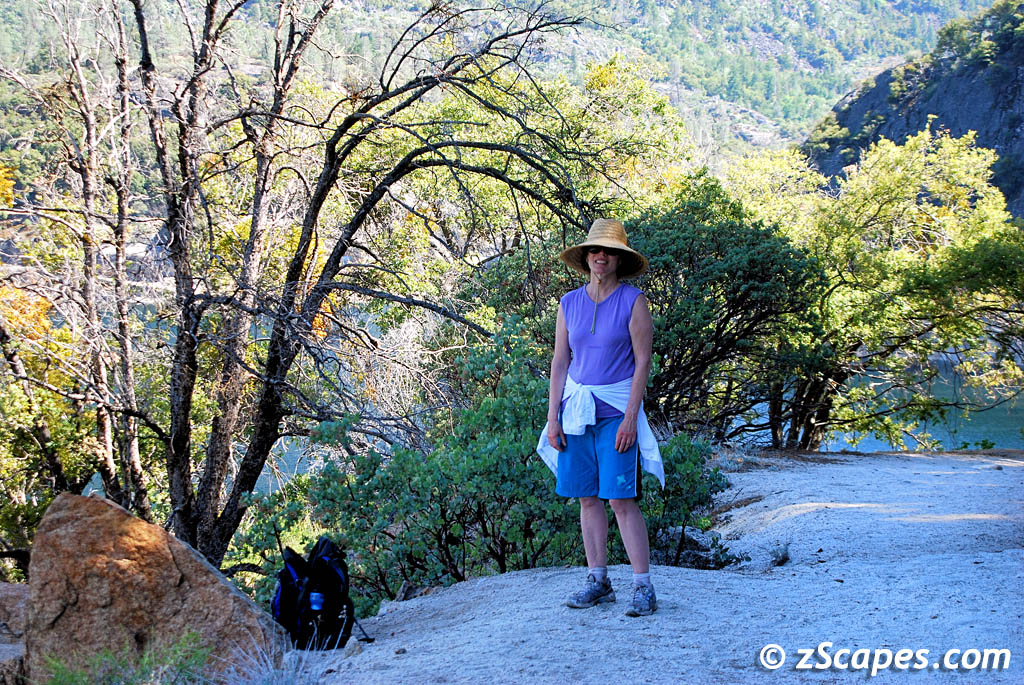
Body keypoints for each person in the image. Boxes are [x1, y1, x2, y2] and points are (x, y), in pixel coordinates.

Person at [536, 218, 664, 617]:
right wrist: (553, 417)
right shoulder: (568, 303)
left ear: (619, 259)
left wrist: (630, 417)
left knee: (621, 498)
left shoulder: (633, 301)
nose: (601, 256)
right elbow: (560, 361)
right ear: (586, 257)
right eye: (595, 250)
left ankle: (643, 586)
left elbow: (643, 362)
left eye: (609, 251)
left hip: (615, 414)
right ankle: (599, 581)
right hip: (575, 413)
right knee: (587, 498)